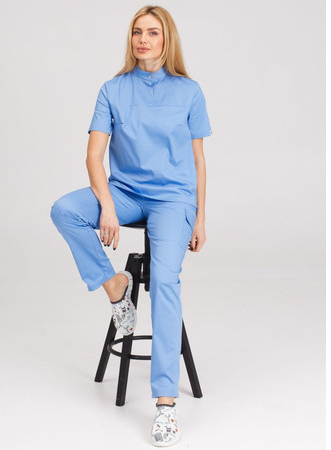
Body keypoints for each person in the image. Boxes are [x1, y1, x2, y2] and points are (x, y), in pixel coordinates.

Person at [50, 5, 212, 447]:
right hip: (125, 192)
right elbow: (93, 156)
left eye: (153, 32)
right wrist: (106, 205)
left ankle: (165, 404)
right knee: (65, 210)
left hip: (173, 199)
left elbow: (198, 161)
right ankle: (116, 287)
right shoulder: (113, 89)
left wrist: (199, 216)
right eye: (137, 32)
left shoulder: (189, 91)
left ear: (166, 39)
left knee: (165, 279)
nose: (143, 39)